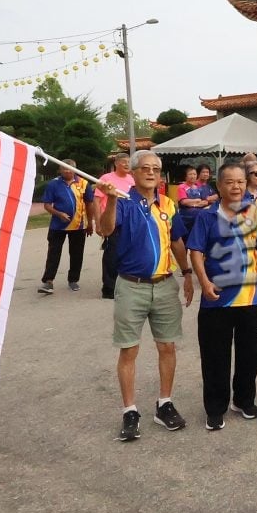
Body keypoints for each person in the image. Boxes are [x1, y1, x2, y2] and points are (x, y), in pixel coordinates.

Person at [96, 150, 196, 442]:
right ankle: (130, 410)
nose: (151, 172)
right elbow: (106, 229)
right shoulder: (125, 202)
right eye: (145, 168)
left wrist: (187, 273)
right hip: (132, 286)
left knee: (167, 347)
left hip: (165, 286)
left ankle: (164, 403)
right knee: (129, 350)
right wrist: (111, 199)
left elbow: (177, 241)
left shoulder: (168, 204)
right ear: (134, 173)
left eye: (156, 168)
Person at [186, 163, 257, 431]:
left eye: (239, 182)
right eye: (229, 182)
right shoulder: (206, 216)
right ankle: (215, 408)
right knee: (215, 356)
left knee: (250, 353)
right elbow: (196, 251)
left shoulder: (254, 211)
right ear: (219, 186)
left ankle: (244, 400)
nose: (236, 187)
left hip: (249, 296)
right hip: (217, 298)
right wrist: (203, 281)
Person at [40, 159, 96, 294]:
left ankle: (73, 280)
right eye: (64, 169)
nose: (67, 171)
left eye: (69, 169)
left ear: (75, 169)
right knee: (53, 253)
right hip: (57, 226)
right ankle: (48, 282)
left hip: (79, 226)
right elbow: (47, 205)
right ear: (60, 170)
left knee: (77, 254)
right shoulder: (53, 184)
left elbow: (89, 203)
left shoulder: (84, 183)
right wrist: (58, 214)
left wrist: (89, 223)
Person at [95, 153, 135, 299]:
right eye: (124, 162)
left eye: (129, 162)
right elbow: (97, 201)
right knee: (112, 254)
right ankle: (109, 288)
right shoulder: (106, 179)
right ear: (116, 163)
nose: (127, 165)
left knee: (128, 253)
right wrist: (98, 223)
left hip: (129, 222)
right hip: (111, 221)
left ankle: (125, 283)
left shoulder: (132, 179)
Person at [178, 165, 213, 238]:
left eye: (194, 174)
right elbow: (183, 201)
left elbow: (205, 202)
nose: (193, 176)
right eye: (190, 174)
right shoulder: (181, 187)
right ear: (186, 176)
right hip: (186, 218)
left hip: (197, 218)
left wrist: (194, 203)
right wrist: (196, 202)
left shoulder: (198, 187)